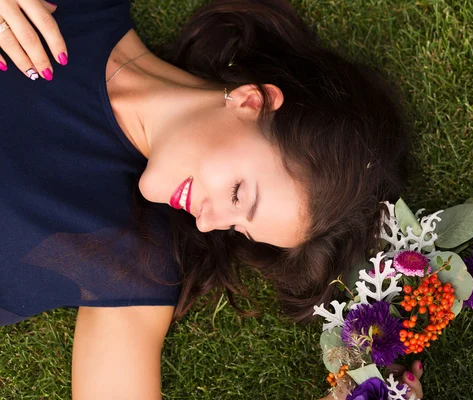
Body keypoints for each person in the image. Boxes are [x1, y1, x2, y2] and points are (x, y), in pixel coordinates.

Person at [0, 0, 423, 398]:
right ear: (250, 101)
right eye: (239, 193)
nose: (206, 221)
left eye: (237, 226)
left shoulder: (137, 259)